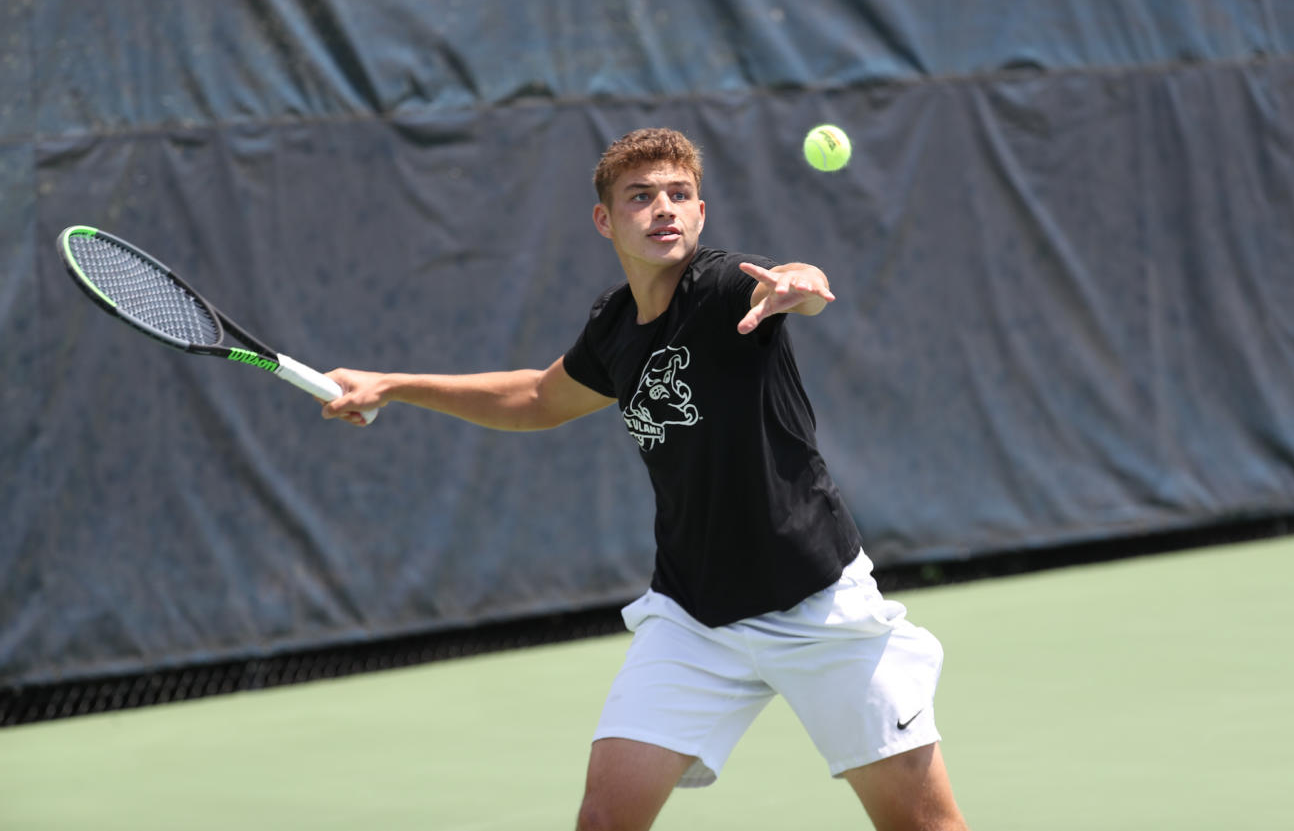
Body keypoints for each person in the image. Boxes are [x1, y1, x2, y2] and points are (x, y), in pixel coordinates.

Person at [322, 128, 968, 831]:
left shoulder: (726, 289)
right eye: (640, 197)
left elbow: (800, 285)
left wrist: (799, 285)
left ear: (699, 212)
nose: (663, 208)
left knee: (922, 825)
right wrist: (395, 384)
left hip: (814, 603)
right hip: (693, 616)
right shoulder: (614, 325)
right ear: (605, 219)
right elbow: (538, 398)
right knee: (604, 821)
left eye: (678, 194)